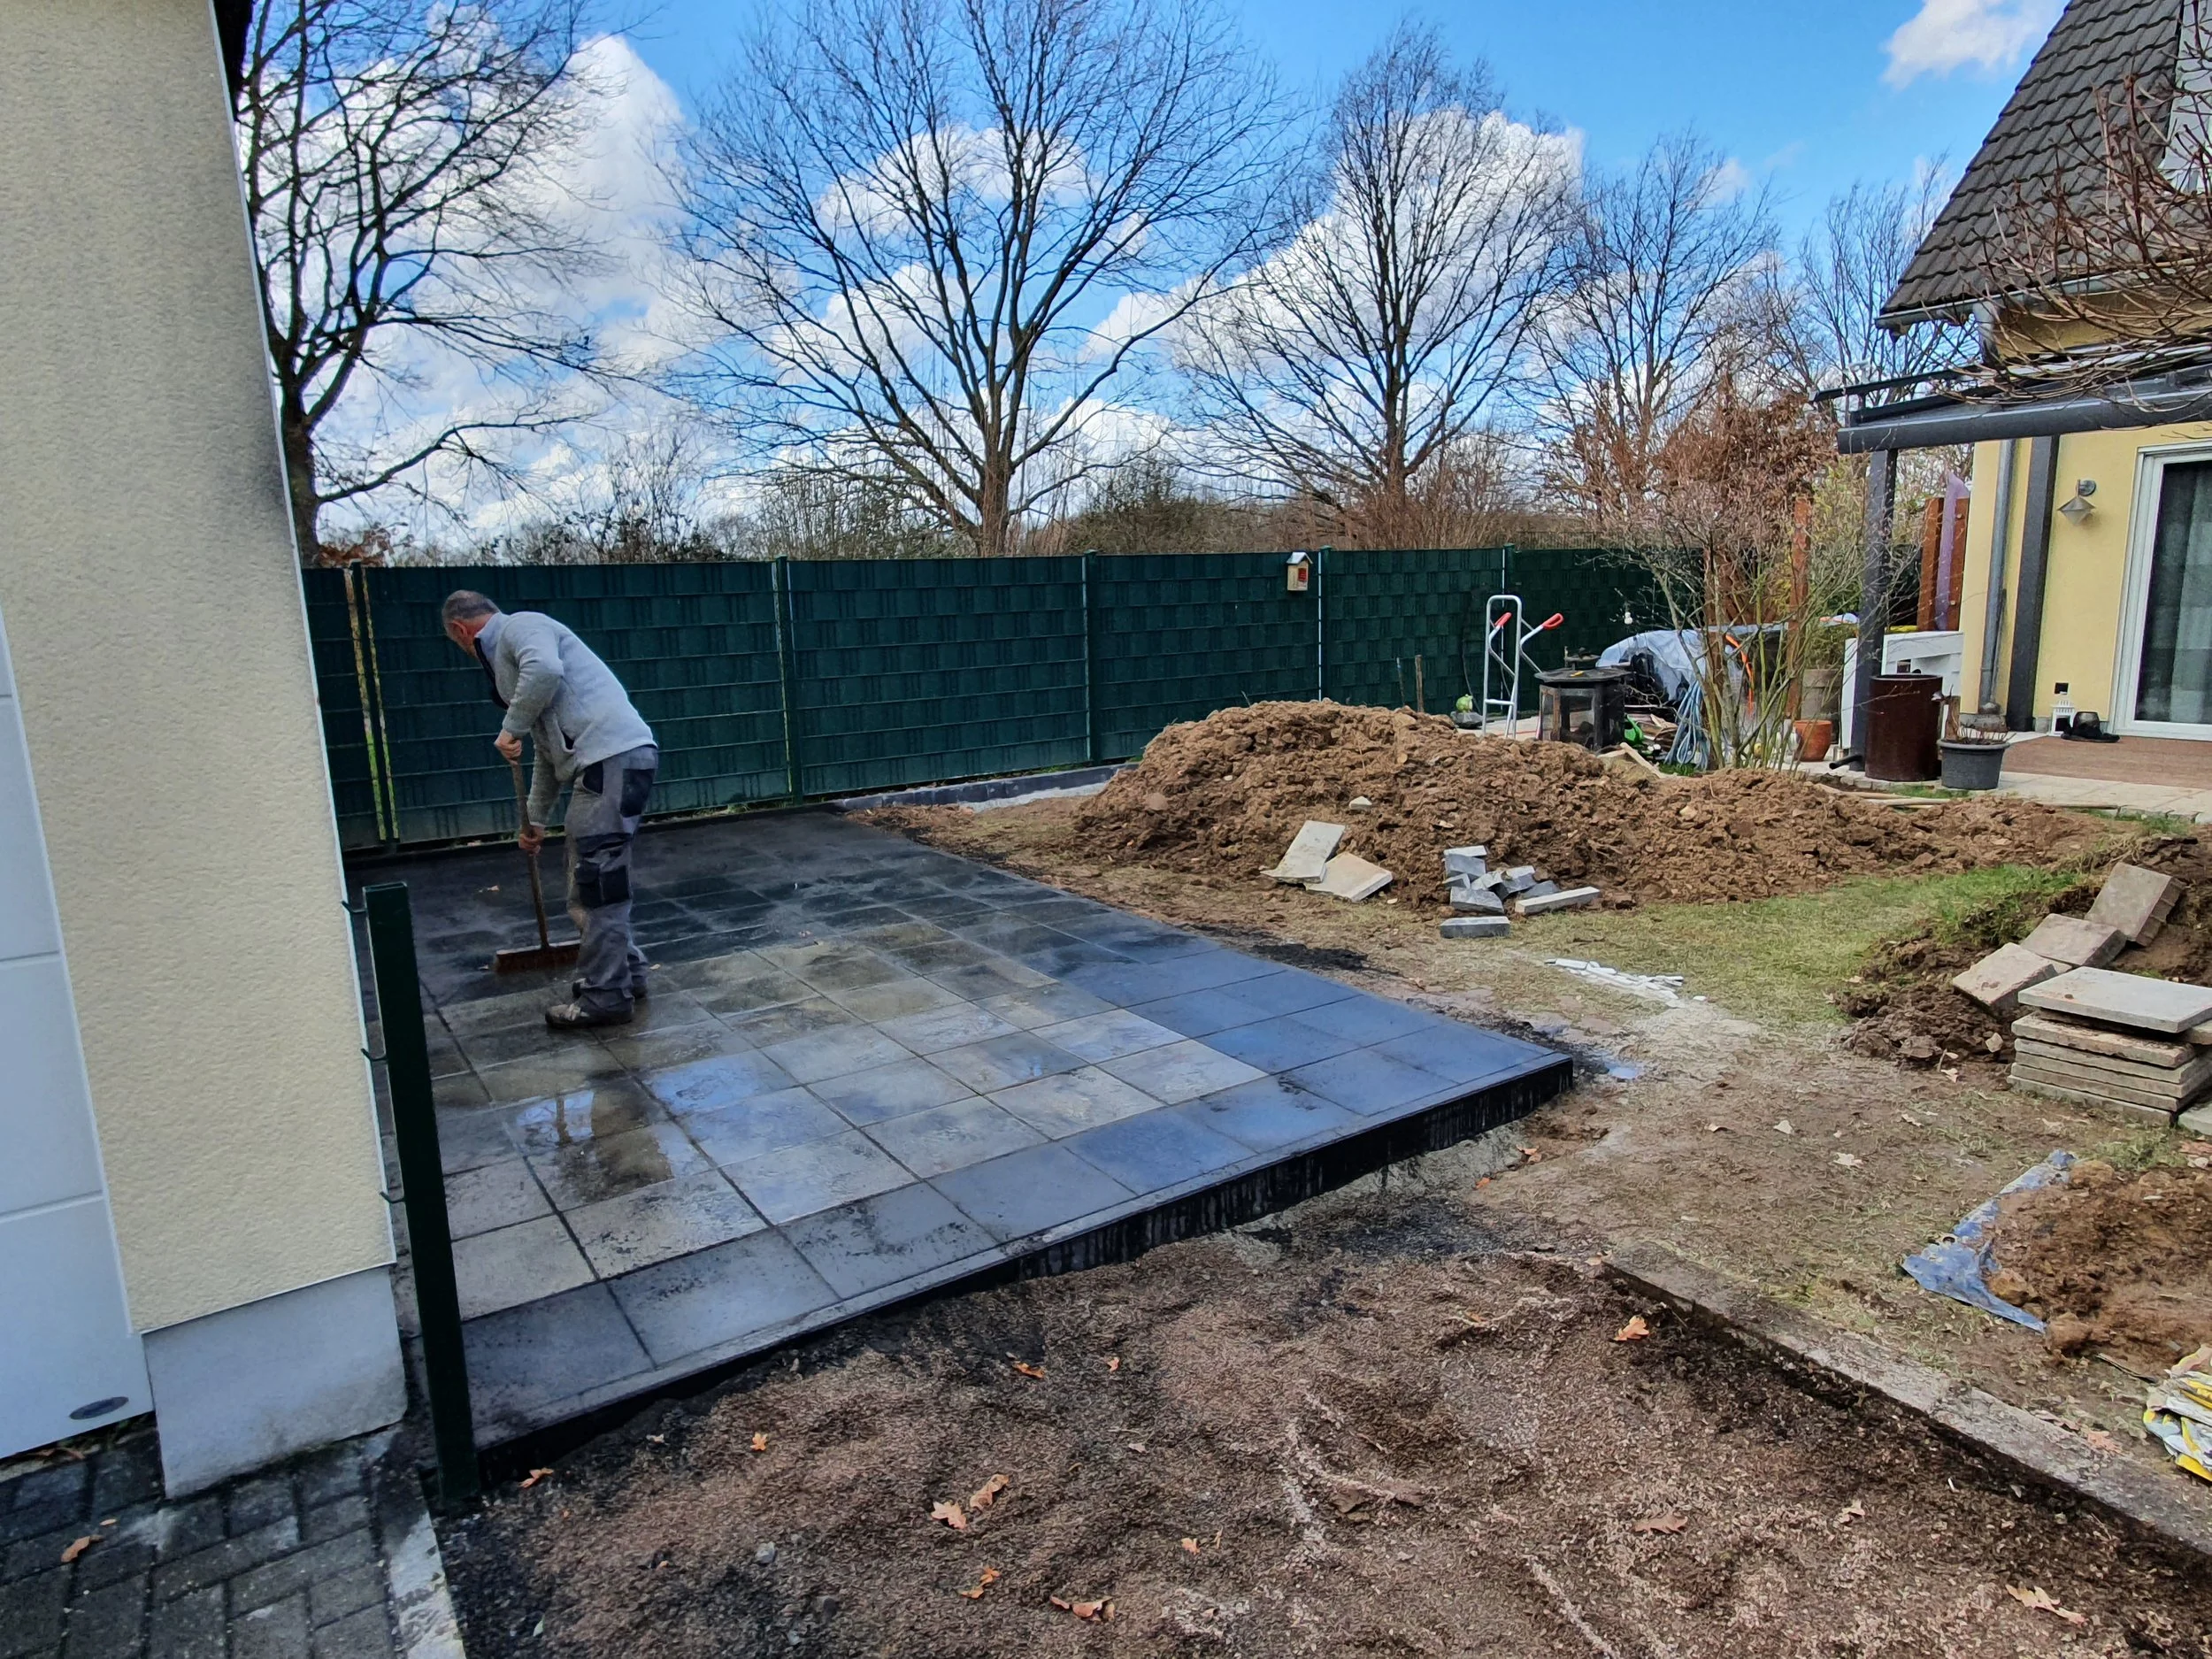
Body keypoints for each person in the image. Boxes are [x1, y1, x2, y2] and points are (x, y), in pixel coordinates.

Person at [441, 591, 659, 1029]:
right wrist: (534, 818)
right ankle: (623, 976)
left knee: (597, 884)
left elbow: (545, 670)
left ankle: (605, 996)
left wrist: (509, 727)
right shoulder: (513, 669)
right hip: (605, 763)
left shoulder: (521, 627)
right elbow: (547, 752)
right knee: (593, 880)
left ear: (460, 631)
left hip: (609, 760)